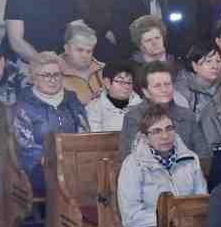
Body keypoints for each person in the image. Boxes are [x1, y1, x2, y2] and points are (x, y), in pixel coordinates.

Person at [117, 103, 207, 227]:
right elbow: (131, 216)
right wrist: (169, 219)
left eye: (169, 129)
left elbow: (201, 199)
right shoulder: (133, 164)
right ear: (145, 136)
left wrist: (186, 221)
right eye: (157, 131)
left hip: (186, 225)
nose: (165, 136)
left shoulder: (190, 159)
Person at [13, 53, 89, 194]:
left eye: (56, 75)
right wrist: (55, 161)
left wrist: (77, 159)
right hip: (39, 169)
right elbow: (26, 147)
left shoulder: (72, 100)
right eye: (46, 75)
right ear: (34, 78)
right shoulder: (23, 105)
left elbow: (84, 133)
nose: (52, 80)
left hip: (75, 164)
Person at [119, 61, 205, 159]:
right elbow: (128, 157)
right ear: (146, 92)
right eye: (157, 86)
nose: (164, 90)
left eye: (167, 84)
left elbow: (203, 154)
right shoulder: (133, 117)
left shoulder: (187, 115)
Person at [86, 60, 141, 133]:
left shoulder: (141, 106)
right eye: (121, 82)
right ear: (107, 82)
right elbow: (95, 137)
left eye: (129, 82)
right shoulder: (94, 108)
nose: (126, 86)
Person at [173, 43, 221, 119]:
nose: (215, 66)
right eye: (208, 61)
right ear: (195, 65)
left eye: (218, 61)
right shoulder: (182, 92)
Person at [60, 24, 105, 106]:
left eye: (89, 51)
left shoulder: (103, 69)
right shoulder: (52, 74)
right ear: (67, 49)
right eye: (79, 50)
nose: (84, 56)